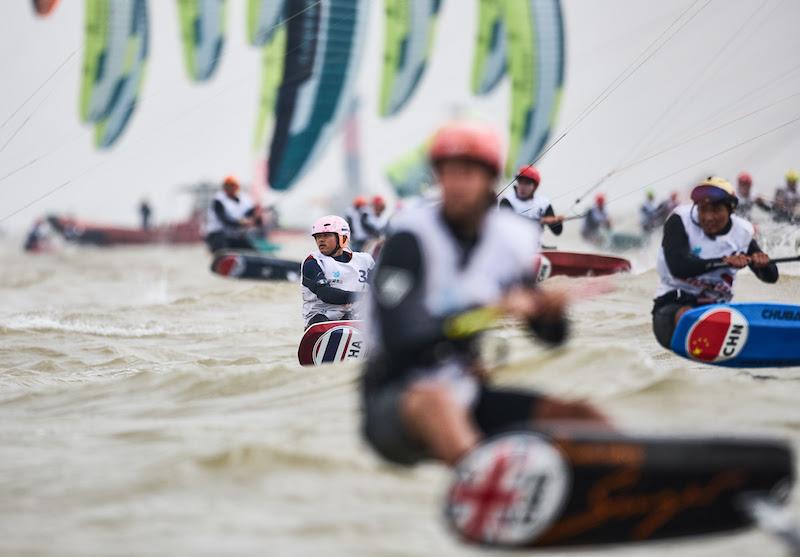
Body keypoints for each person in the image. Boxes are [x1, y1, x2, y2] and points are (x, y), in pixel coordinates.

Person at [360, 119, 608, 467]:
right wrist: (490, 312)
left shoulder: (510, 241)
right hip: (395, 401)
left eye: (468, 173)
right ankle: (490, 486)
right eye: (448, 173)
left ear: (489, 180)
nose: (457, 184)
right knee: (436, 401)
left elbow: (552, 339)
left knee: (579, 415)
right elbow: (399, 336)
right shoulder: (409, 239)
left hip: (465, 394)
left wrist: (548, 313)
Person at [651, 176, 778, 349]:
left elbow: (771, 277)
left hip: (716, 311)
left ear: (731, 209)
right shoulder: (680, 220)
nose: (708, 217)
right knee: (688, 315)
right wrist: (725, 261)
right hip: (672, 310)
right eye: (703, 209)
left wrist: (763, 263)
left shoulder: (742, 232)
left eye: (716, 209)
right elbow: (678, 267)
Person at [302, 215, 374, 328]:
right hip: (322, 320)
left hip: (353, 317)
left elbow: (381, 285)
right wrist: (362, 296)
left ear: (343, 238)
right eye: (317, 236)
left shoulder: (365, 261)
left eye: (326, 235)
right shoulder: (312, 262)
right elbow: (325, 294)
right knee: (320, 321)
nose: (320, 240)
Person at [498, 165, 564, 240]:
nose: (522, 187)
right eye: (520, 182)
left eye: (527, 183)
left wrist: (557, 221)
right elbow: (509, 223)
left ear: (535, 186)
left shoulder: (544, 203)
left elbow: (557, 231)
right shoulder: (507, 200)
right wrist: (542, 220)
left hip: (535, 248)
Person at [204, 175, 260, 252]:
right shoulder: (218, 200)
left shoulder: (245, 200)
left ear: (237, 187)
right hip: (218, 235)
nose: (230, 188)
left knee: (253, 252)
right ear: (224, 188)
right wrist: (243, 222)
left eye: (232, 186)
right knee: (224, 251)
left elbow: (255, 219)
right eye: (227, 186)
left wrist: (257, 216)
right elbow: (225, 220)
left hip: (235, 236)